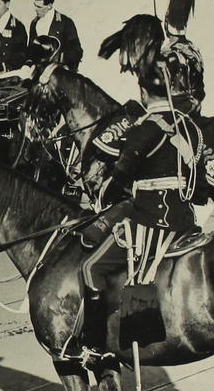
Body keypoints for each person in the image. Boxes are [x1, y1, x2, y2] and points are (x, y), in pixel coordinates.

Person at [79, 78, 200, 354]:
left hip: (152, 221)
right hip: (187, 221)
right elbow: (200, 190)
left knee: (90, 268)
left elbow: (121, 176)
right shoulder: (190, 128)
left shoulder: (144, 128)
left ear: (144, 93)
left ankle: (95, 347)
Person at [27, 0, 83, 71]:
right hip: (39, 71)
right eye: (35, 5)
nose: (35, 9)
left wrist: (65, 65)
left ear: (49, 6)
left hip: (60, 72)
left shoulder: (65, 22)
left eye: (39, 7)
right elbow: (31, 50)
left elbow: (76, 50)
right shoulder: (34, 23)